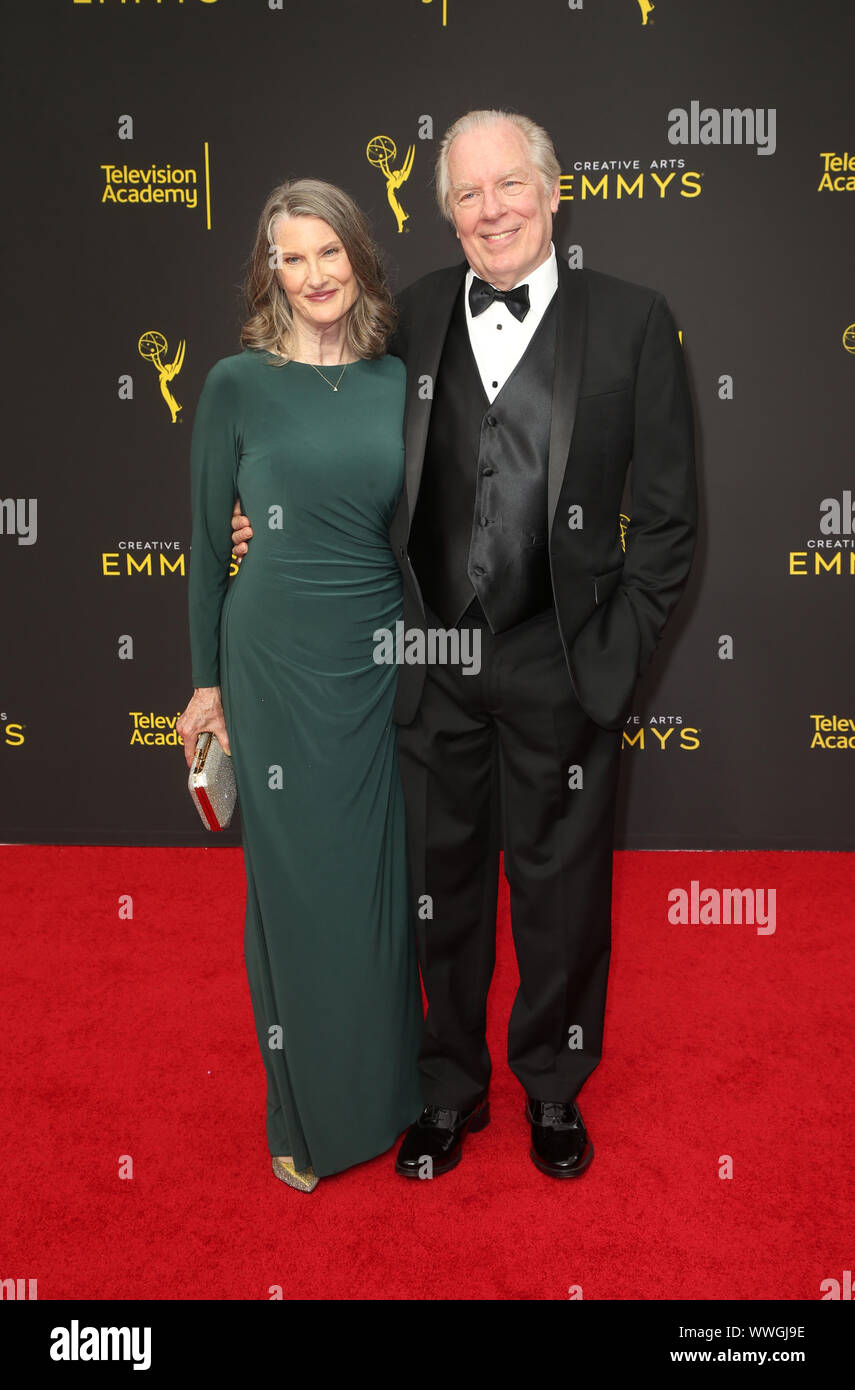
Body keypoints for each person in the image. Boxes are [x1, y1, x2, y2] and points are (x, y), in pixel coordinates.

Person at [231, 110, 697, 1181]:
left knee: (563, 893)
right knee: (436, 890)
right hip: (427, 658)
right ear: (445, 211)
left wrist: (613, 653)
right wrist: (261, 508)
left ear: (551, 189)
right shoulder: (413, 315)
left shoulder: (634, 322)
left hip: (560, 660)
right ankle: (447, 1089)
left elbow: (669, 518)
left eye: (508, 187)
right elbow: (324, 427)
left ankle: (550, 1085)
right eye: (467, 195)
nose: (490, 210)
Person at [177, 179, 424, 1193]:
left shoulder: (396, 382)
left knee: (373, 884)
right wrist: (204, 687)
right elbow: (204, 544)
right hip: (271, 657)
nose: (315, 274)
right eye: (292, 256)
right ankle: (303, 1111)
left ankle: (394, 1092)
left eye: (330, 252)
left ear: (358, 258)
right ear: (269, 271)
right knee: (292, 889)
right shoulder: (237, 382)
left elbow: (421, 531)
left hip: (375, 662)